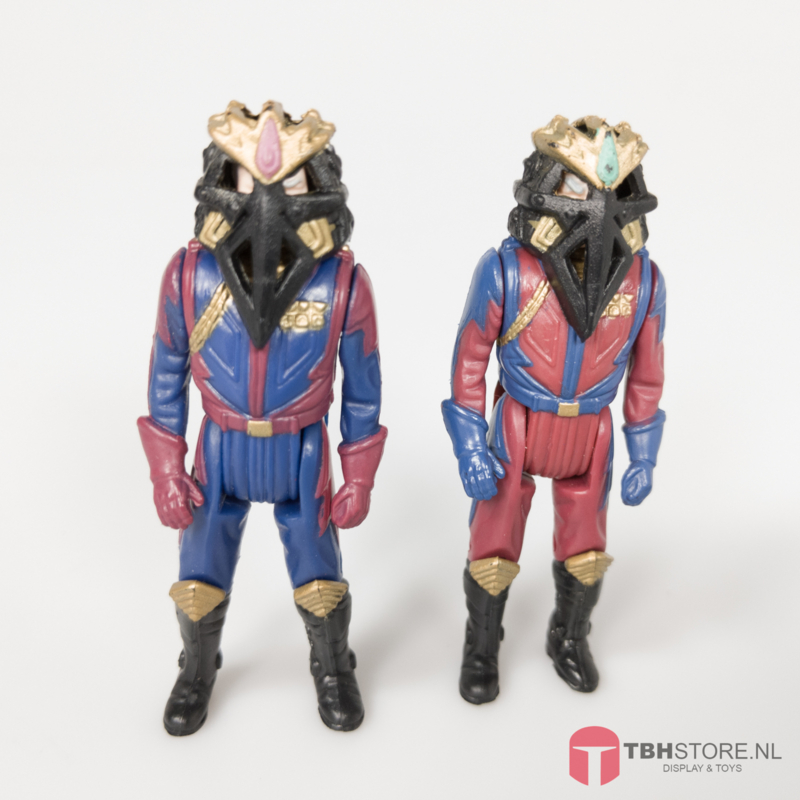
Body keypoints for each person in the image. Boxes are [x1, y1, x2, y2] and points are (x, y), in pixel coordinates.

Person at [138, 101, 387, 735]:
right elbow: (166, 376)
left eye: (292, 179)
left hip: (301, 450)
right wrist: (167, 469)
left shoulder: (342, 283)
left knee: (318, 568)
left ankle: (332, 666)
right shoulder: (189, 276)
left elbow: (363, 392)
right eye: (250, 178)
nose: (269, 196)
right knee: (200, 568)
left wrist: (358, 474)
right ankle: (197, 668)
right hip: (219, 449)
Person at [442, 116, 665, 703]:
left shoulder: (642, 281)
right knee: (493, 539)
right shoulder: (508, 270)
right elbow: (469, 362)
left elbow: (647, 376)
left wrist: (644, 452)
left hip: (591, 429)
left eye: (609, 187)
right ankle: (481, 646)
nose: (596, 203)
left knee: (586, 547)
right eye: (577, 184)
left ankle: (569, 636)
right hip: (518, 422)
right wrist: (470, 445)